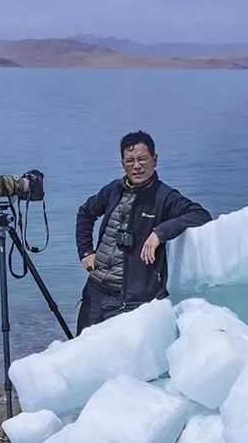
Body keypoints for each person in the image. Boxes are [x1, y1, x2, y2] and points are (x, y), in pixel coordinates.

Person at [75, 131, 212, 334]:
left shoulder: (164, 197)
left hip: (131, 301)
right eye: (130, 160)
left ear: (155, 159)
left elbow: (201, 215)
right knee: (80, 355)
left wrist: (159, 233)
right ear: (122, 163)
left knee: (119, 360)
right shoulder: (113, 190)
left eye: (142, 159)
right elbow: (85, 213)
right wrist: (86, 251)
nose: (136, 166)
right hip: (94, 292)